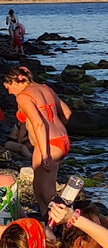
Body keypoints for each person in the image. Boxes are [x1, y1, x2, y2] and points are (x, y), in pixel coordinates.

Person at [2, 66, 72, 214]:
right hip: (61, 140)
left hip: (47, 144)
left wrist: (45, 154)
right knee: (39, 189)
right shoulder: (46, 89)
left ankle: (67, 220)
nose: (9, 92)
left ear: (16, 82)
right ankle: (49, 223)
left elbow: (39, 124)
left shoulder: (23, 96)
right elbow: (67, 112)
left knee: (46, 194)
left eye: (8, 88)